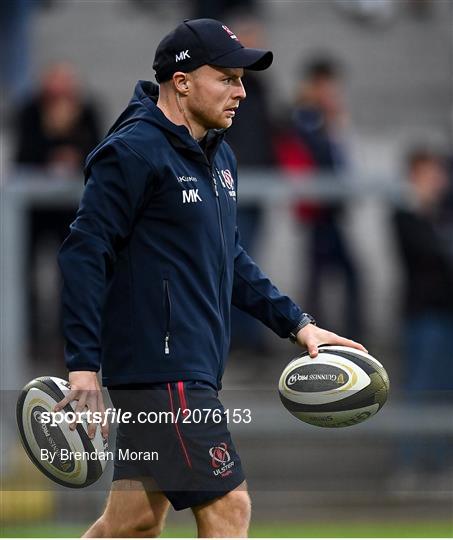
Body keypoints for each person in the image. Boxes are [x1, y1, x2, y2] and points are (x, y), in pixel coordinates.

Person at [56, 19, 366, 538]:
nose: (241, 92)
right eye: (226, 77)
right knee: (229, 508)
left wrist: (298, 324)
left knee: (130, 524)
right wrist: (83, 365)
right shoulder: (132, 151)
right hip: (164, 373)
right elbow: (84, 254)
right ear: (181, 81)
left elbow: (231, 259)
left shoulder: (219, 156)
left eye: (242, 80)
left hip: (189, 368)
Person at [391, 148, 453, 489]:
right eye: (432, 173)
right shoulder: (406, 213)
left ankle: (439, 466)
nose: (439, 181)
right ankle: (410, 465)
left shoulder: (441, 214)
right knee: (419, 391)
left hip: (444, 314)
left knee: (444, 392)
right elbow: (429, 256)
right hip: (423, 316)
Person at [290, 56, 362, 337]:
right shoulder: (305, 117)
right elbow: (316, 155)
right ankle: (312, 331)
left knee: (327, 275)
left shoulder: (324, 118)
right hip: (318, 208)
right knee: (323, 276)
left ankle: (316, 329)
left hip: (330, 209)